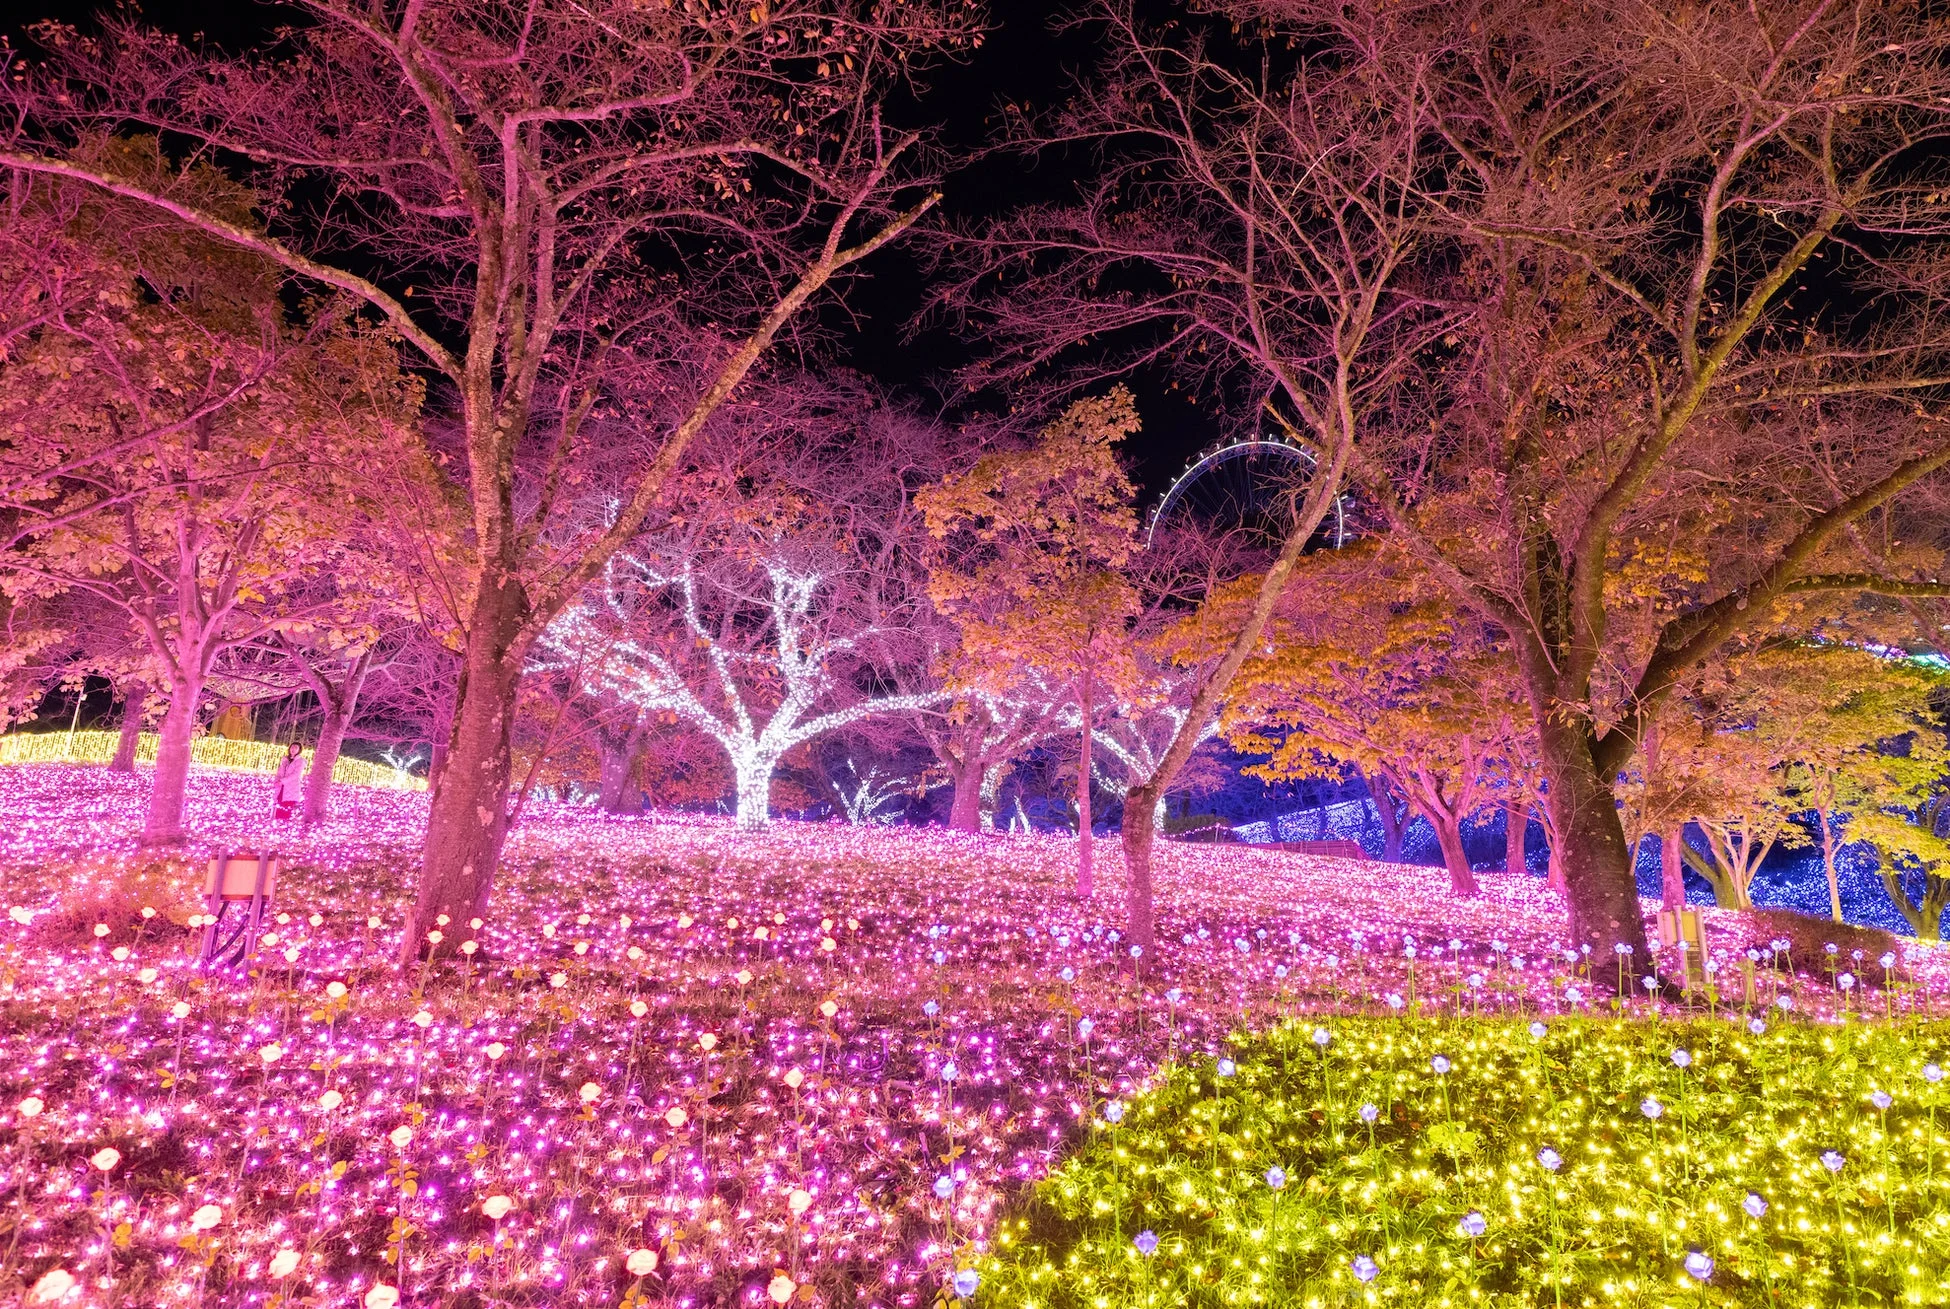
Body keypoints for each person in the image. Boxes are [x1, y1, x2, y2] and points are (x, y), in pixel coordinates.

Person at [273, 743, 307, 821]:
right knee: (279, 805)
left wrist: (282, 781)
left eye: (296, 748)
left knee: (287, 806)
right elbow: (279, 772)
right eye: (292, 747)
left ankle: (285, 824)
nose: (293, 749)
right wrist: (277, 781)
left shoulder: (300, 761)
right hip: (281, 787)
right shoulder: (285, 760)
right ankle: (278, 823)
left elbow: (296, 774)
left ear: (299, 750)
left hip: (291, 787)